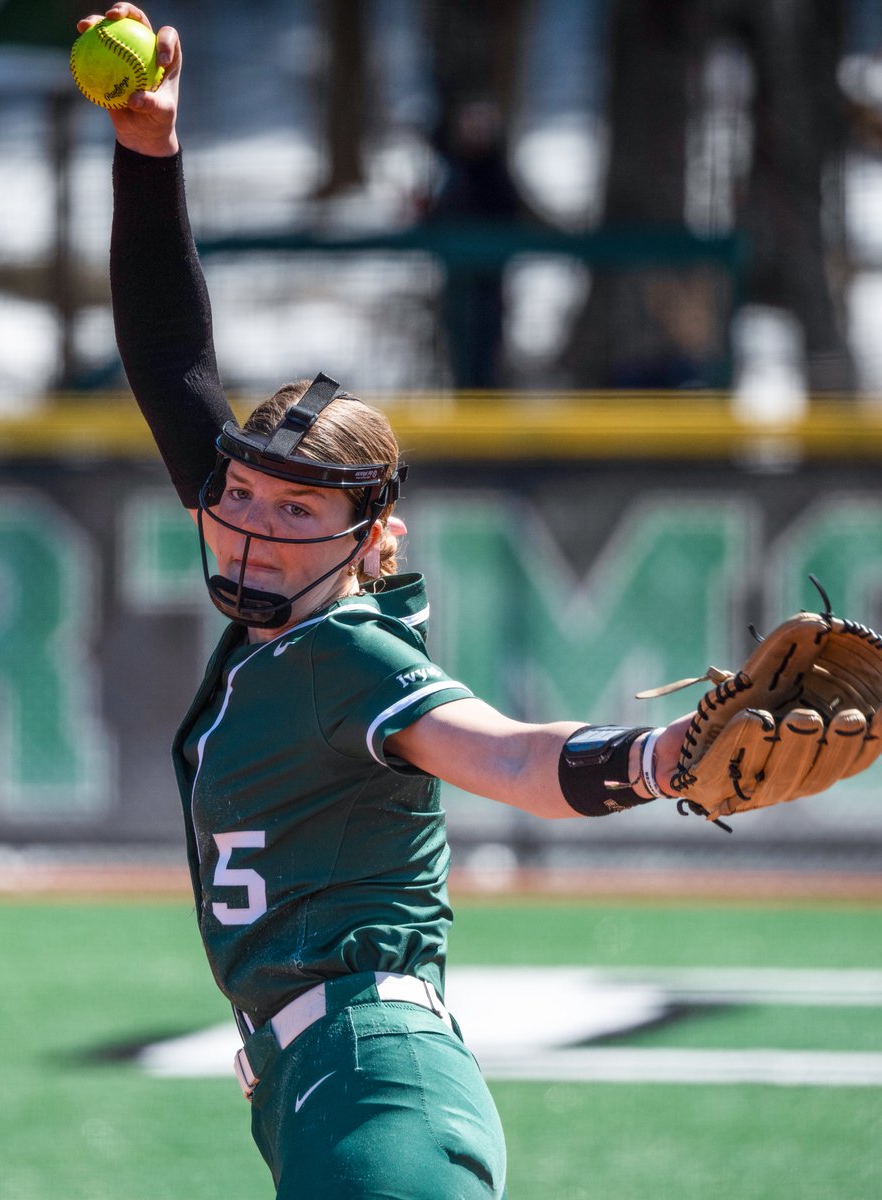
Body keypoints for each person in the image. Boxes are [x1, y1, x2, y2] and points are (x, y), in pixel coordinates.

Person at [84, 7, 693, 1197]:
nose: (257, 529)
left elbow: (513, 760)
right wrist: (148, 148)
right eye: (241, 495)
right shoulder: (289, 629)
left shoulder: (346, 653)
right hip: (325, 1078)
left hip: (375, 1080)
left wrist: (662, 756)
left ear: (377, 542)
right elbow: (169, 360)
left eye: (301, 513)